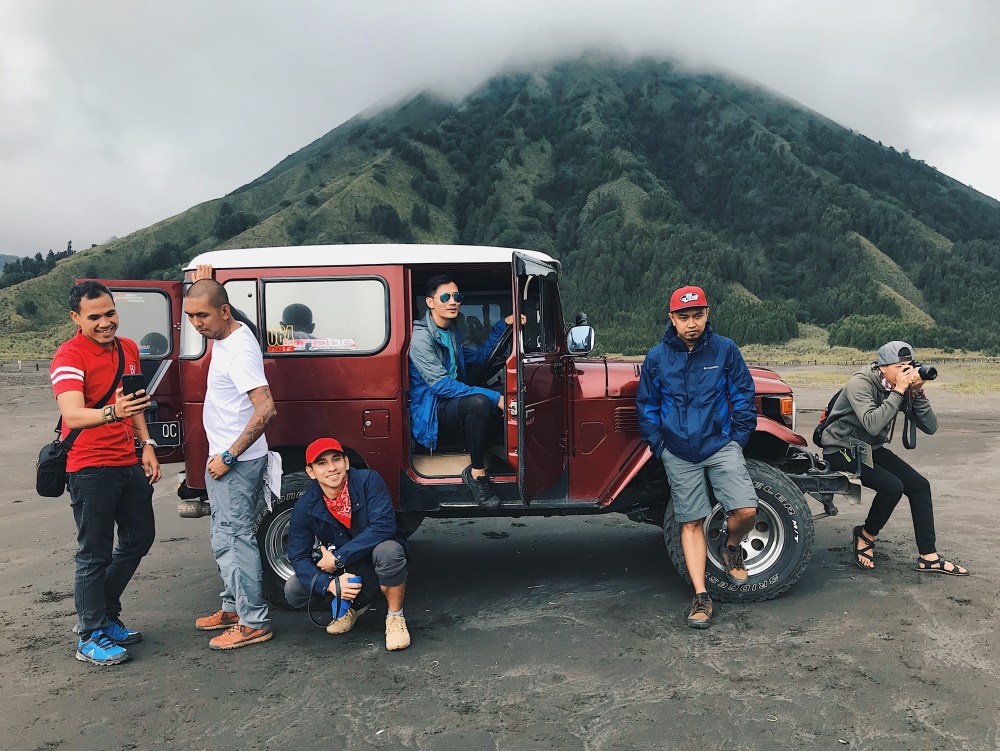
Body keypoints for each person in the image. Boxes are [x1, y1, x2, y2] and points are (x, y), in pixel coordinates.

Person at [50, 281, 160, 665]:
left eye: (109, 313)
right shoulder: (69, 356)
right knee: (93, 553)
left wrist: (146, 444)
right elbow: (74, 414)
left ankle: (106, 612)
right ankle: (89, 633)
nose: (104, 323)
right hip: (88, 467)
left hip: (127, 461)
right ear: (76, 318)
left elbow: (136, 405)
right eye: (94, 317)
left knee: (139, 538)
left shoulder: (128, 348)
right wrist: (114, 413)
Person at [636, 286, 759, 630]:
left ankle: (731, 546)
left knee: (746, 509)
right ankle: (701, 595)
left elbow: (743, 394)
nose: (692, 324)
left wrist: (738, 438)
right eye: (684, 317)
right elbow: (646, 405)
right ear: (671, 318)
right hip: (678, 451)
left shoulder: (725, 350)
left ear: (707, 314)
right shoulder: (658, 357)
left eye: (697, 315)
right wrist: (659, 445)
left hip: (720, 445)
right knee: (690, 521)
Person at [184, 276, 278, 650]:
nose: (196, 323)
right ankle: (234, 607)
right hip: (224, 460)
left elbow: (266, 408)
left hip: (234, 463)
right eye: (190, 316)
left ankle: (253, 621)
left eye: (202, 315)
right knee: (223, 534)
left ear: (224, 311)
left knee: (235, 539)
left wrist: (228, 455)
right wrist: (206, 279)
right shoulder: (229, 334)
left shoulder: (239, 350)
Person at [822, 341, 969, 576]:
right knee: (892, 486)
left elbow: (930, 427)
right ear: (883, 367)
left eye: (910, 366)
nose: (907, 372)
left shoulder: (896, 383)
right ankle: (866, 534)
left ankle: (928, 557)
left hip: (870, 448)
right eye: (901, 366)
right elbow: (872, 424)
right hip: (841, 448)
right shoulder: (859, 383)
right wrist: (899, 391)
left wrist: (917, 392)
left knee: (920, 486)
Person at [284, 438, 411, 651]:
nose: (331, 468)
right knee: (294, 589)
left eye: (336, 459)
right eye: (322, 463)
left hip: (371, 558)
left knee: (390, 551)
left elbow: (384, 526)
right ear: (311, 472)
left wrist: (338, 558)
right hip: (343, 572)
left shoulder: (368, 480)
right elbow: (298, 557)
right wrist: (329, 584)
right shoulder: (304, 507)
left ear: (346, 463)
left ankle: (395, 617)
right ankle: (351, 606)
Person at [408, 275, 515, 509]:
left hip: (451, 403)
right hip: (433, 411)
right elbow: (441, 385)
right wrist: (494, 398)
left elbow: (479, 357)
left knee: (502, 395)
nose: (453, 302)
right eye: (445, 297)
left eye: (457, 297)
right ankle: (477, 474)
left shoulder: (454, 332)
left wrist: (504, 324)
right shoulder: (420, 338)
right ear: (430, 302)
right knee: (479, 402)